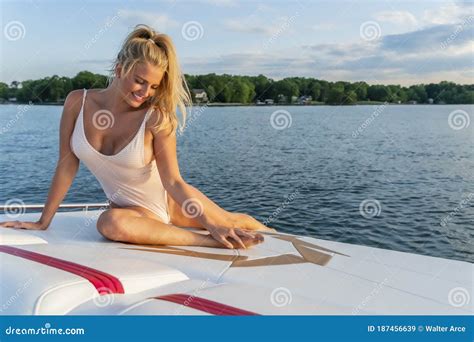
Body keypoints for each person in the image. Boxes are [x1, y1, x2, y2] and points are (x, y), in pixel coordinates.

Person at [0, 24, 274, 249]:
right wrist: (43, 221)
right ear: (120, 69)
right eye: (140, 81)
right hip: (133, 215)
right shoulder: (77, 102)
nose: (145, 91)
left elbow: (173, 181)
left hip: (173, 204)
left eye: (154, 86)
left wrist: (213, 223)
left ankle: (277, 236)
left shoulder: (155, 118)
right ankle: (208, 242)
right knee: (109, 224)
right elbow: (66, 164)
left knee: (238, 222)